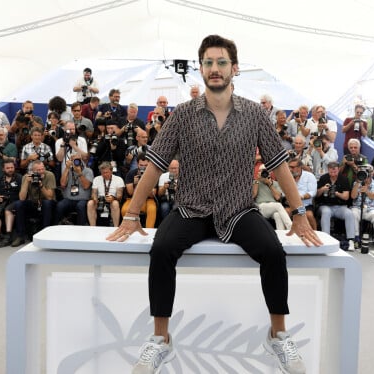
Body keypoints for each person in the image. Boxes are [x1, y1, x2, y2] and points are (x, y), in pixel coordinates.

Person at [108, 34, 321, 374]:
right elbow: (155, 164)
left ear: (234, 69)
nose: (215, 69)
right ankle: (160, 339)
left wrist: (298, 214)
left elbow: (280, 164)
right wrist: (131, 214)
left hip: (239, 210)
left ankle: (278, 334)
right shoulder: (182, 115)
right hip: (191, 209)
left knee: (273, 251)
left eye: (221, 62)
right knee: (161, 248)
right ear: (202, 69)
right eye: (208, 62)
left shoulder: (254, 114)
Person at [12, 160, 56, 246]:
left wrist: (41, 185)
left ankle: (45, 234)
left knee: (47, 203)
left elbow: (50, 197)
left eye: (42, 169)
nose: (41, 172)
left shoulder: (49, 175)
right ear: (32, 171)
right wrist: (26, 182)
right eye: (38, 170)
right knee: (18, 204)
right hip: (33, 202)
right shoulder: (26, 177)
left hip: (47, 203)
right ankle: (20, 236)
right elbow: (22, 198)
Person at [316, 161, 356, 250]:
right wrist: (323, 189)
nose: (333, 174)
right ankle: (326, 239)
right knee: (326, 212)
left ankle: (351, 240)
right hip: (325, 205)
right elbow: (317, 195)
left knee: (349, 213)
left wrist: (337, 193)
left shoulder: (344, 179)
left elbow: (346, 197)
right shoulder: (323, 178)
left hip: (339, 206)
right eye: (331, 172)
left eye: (335, 172)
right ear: (328, 170)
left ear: (338, 170)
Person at [0, 160, 22, 248]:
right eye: (8, 168)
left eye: (12, 167)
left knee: (8, 210)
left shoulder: (19, 178)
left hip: (15, 202)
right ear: (3, 169)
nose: (10, 169)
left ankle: (8, 235)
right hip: (2, 202)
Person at [350, 165, 374, 247]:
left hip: (371, 209)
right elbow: (353, 196)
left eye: (368, 173)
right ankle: (356, 238)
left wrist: (367, 191)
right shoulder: (356, 183)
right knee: (353, 213)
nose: (366, 176)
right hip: (358, 208)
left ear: (372, 174)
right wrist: (358, 182)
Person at [55, 153, 93, 225]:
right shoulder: (68, 171)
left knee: (80, 206)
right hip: (69, 199)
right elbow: (62, 184)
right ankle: (57, 226)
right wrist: (66, 168)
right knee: (60, 205)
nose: (77, 162)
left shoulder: (88, 171)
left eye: (78, 160)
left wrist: (79, 173)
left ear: (82, 160)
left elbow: (86, 186)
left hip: (83, 199)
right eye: (74, 160)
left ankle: (81, 227)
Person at [120, 155, 157, 228]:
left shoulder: (153, 174)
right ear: (137, 164)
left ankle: (149, 231)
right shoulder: (131, 173)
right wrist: (135, 184)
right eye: (141, 165)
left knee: (152, 209)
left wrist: (145, 182)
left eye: (146, 165)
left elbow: (152, 195)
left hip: (148, 199)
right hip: (133, 199)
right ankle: (127, 229)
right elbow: (130, 193)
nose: (143, 167)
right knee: (124, 209)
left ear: (149, 164)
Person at [253, 165, 292, 230]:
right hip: (261, 207)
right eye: (262, 170)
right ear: (259, 172)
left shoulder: (276, 184)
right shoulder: (255, 182)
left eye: (266, 170)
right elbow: (254, 195)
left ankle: (280, 234)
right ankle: (290, 227)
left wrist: (269, 184)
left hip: (273, 207)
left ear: (270, 172)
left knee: (277, 215)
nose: (264, 172)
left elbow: (277, 198)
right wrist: (257, 180)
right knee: (278, 205)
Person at [88, 162, 124, 227]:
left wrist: (113, 198)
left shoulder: (118, 179)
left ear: (111, 171)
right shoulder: (96, 179)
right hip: (100, 200)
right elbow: (93, 193)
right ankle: (92, 227)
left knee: (115, 203)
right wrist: (95, 199)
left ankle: (116, 227)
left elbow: (120, 196)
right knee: (90, 203)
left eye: (106, 172)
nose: (104, 174)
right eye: (102, 173)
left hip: (112, 199)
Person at [289, 157, 318, 230]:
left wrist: (301, 197)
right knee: (285, 213)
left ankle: (316, 233)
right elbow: (283, 192)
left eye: (292, 167)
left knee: (308, 215)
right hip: (291, 204)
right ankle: (287, 235)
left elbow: (312, 192)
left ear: (299, 167)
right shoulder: (288, 176)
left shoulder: (309, 176)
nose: (290, 169)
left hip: (305, 205)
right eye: (289, 167)